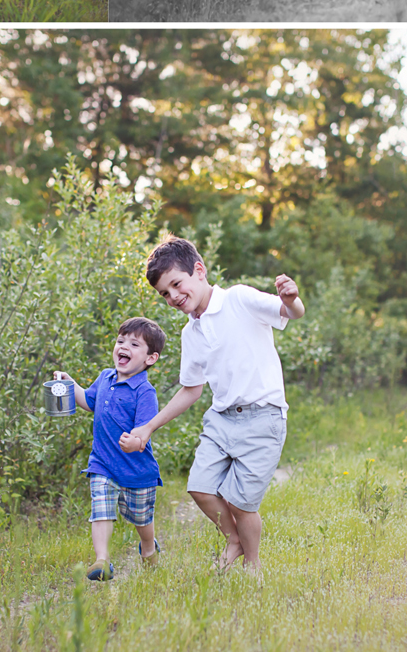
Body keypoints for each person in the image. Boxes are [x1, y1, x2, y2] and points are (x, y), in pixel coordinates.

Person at [118, 238, 303, 574]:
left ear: (198, 271)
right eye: (164, 293)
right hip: (221, 418)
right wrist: (148, 426)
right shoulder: (192, 333)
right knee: (200, 487)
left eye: (176, 284)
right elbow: (190, 390)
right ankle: (233, 539)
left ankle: (253, 564)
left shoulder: (239, 299)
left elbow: (290, 311)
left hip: (264, 416)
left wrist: (291, 299)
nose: (173, 296)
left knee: (241, 501)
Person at [54, 319, 167, 581]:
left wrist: (135, 442)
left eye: (134, 344)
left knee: (142, 518)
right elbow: (87, 401)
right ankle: (102, 560)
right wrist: (71, 385)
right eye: (120, 341)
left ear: (150, 358)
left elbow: (145, 429)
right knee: (101, 508)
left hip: (137, 470)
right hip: (103, 463)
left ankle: (148, 547)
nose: (123, 347)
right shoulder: (105, 377)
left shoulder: (144, 391)